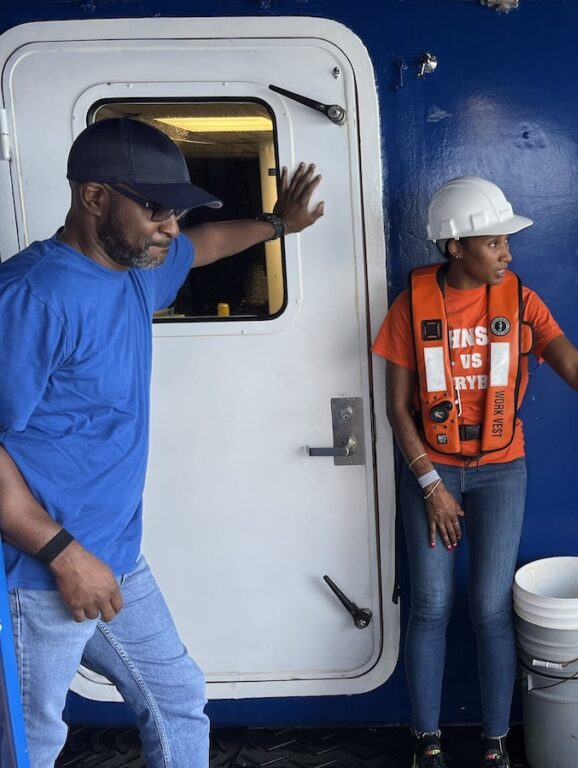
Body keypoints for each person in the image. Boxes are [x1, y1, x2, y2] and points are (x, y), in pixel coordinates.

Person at [0, 117, 324, 767]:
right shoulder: (31, 296)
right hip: (36, 576)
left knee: (177, 695)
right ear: (94, 198)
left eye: (175, 210)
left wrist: (279, 225)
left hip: (114, 555)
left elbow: (205, 245)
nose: (170, 227)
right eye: (155, 209)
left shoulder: (136, 268)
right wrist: (64, 555)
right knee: (31, 747)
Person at [371, 176, 578, 768]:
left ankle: (494, 743)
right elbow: (396, 408)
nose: (508, 254)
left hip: (500, 472)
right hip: (429, 472)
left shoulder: (520, 301)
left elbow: (574, 365)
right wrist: (430, 485)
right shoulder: (411, 305)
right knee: (431, 604)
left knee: (490, 605)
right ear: (457, 246)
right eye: (495, 243)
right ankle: (427, 741)